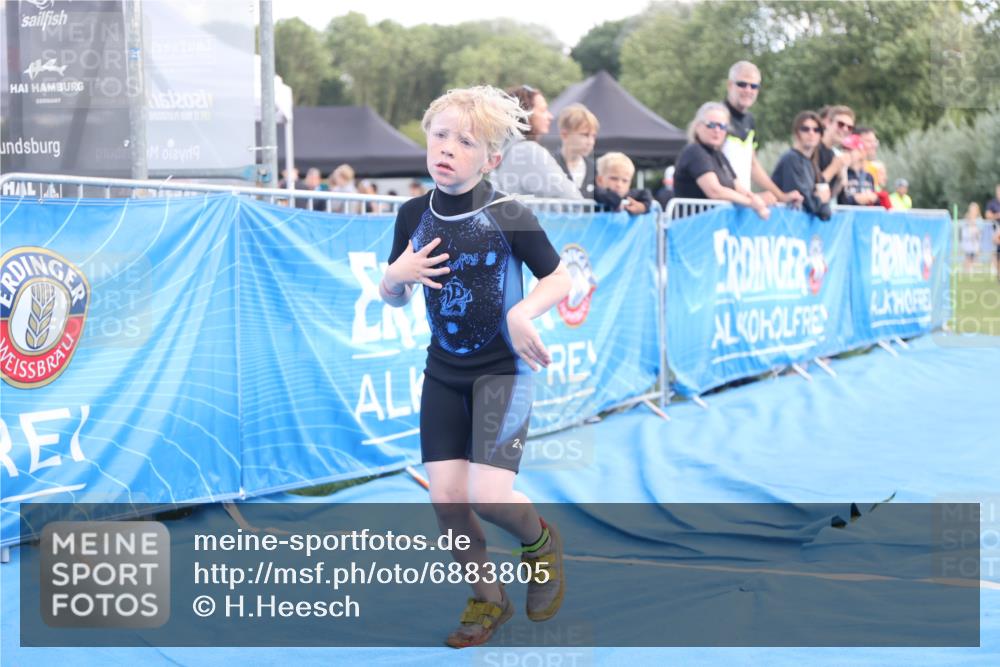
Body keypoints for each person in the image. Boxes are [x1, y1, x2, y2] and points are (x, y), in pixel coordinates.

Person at [380, 85, 571, 648]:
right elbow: (393, 295)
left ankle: (540, 545)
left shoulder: (508, 214)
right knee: (446, 502)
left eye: (465, 142)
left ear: (490, 158)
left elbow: (561, 277)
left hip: (502, 375)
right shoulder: (412, 215)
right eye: (440, 135)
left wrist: (523, 311)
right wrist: (395, 276)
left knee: (488, 497)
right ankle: (488, 600)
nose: (447, 148)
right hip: (443, 374)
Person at [720, 61, 802, 207]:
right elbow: (713, 165)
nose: (748, 90)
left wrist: (781, 196)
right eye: (742, 84)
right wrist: (752, 197)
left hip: (742, 205)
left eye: (754, 86)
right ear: (729, 85)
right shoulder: (717, 117)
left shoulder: (750, 120)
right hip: (719, 205)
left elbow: (753, 165)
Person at [673, 102, 770, 219]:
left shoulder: (718, 155)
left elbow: (739, 188)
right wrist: (751, 203)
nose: (717, 130)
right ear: (698, 127)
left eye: (723, 126)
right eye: (712, 125)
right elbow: (714, 191)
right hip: (693, 228)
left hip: (714, 228)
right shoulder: (695, 151)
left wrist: (756, 198)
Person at [490, 85, 582, 199]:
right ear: (526, 113)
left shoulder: (505, 150)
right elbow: (571, 197)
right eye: (543, 110)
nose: (550, 116)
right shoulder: (527, 151)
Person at [770, 111, 832, 221]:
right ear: (796, 133)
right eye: (805, 129)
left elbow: (826, 213)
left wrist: (820, 200)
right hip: (784, 227)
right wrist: (820, 199)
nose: (811, 133)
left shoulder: (812, 164)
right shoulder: (791, 159)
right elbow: (807, 204)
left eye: (816, 130)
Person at [554, 103, 599, 198]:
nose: (591, 142)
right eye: (585, 134)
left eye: (593, 136)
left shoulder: (594, 169)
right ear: (565, 135)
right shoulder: (550, 164)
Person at [817, 105, 857, 199]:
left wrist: (840, 179)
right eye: (840, 124)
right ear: (827, 123)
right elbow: (810, 188)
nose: (845, 129)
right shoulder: (812, 149)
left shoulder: (833, 155)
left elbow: (830, 196)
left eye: (850, 127)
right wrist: (834, 167)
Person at [838, 135, 879, 206]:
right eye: (844, 149)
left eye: (850, 150)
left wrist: (875, 199)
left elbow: (875, 204)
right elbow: (838, 200)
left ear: (860, 152)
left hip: (863, 216)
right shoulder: (840, 172)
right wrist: (855, 199)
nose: (845, 152)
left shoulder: (869, 176)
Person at [960, 202, 983, 275]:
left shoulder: (979, 219)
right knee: (968, 257)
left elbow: (980, 231)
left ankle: (972, 272)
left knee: (974, 257)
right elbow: (964, 231)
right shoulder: (966, 219)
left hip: (975, 242)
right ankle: (966, 271)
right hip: (967, 242)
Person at [988, 184, 1000, 279]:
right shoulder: (992, 203)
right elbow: (988, 215)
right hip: (996, 230)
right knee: (997, 253)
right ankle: (998, 273)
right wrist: (997, 216)